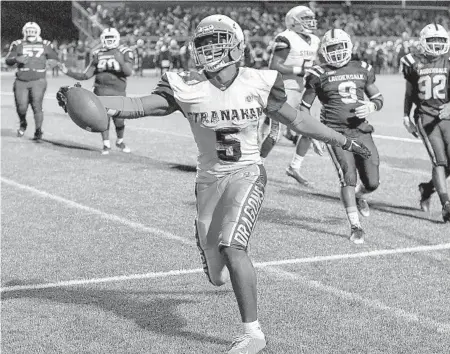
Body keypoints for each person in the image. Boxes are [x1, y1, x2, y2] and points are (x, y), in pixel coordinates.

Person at [57, 15, 371, 354]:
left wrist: (342, 139)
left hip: (248, 172)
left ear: (236, 44)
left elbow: (298, 120)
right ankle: (208, 248)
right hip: (208, 180)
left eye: (216, 40)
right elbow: (136, 106)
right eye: (203, 43)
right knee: (217, 276)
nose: (208, 49)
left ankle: (253, 333)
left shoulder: (261, 81)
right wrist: (91, 101)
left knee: (233, 245)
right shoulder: (185, 83)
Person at [300, 29, 384, 243]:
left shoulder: (362, 68)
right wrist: (315, 135)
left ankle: (359, 196)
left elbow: (378, 97)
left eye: (340, 47)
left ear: (349, 47)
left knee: (373, 182)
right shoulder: (318, 73)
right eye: (332, 49)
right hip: (335, 133)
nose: (337, 53)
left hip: (361, 130)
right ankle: (355, 226)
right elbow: (303, 109)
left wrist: (372, 105)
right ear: (324, 51)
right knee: (348, 176)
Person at [266, 5, 322, 185]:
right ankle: (257, 164)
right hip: (283, 89)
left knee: (308, 130)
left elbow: (318, 63)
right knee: (276, 132)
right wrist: (301, 69)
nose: (310, 22)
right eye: (305, 19)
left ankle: (294, 167)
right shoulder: (285, 38)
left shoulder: (314, 40)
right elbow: (274, 65)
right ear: (293, 21)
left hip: (302, 90)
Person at [401, 23, 450, 222]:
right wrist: (405, 115)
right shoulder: (412, 62)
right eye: (433, 41)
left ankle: (427, 188)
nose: (437, 45)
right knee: (439, 161)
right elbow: (409, 93)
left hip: (447, 116)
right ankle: (446, 204)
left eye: (441, 41)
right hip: (425, 117)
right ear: (423, 41)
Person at [59, 28, 134, 155]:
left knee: (120, 119)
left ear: (116, 39)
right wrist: (68, 72)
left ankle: (120, 141)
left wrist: (120, 60)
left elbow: (128, 72)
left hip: (118, 91)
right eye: (107, 38)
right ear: (103, 39)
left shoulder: (125, 51)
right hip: (101, 90)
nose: (109, 41)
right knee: (103, 119)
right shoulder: (98, 53)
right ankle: (106, 144)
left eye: (111, 38)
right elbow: (86, 75)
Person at [5, 22, 59, 140]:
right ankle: (23, 123)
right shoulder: (18, 43)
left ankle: (38, 131)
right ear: (24, 32)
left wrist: (51, 62)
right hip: (21, 80)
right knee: (21, 107)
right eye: (28, 31)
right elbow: (8, 60)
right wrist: (16, 59)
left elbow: (55, 58)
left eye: (33, 31)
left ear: (38, 32)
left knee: (37, 105)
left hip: (38, 80)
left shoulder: (45, 44)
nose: (31, 33)